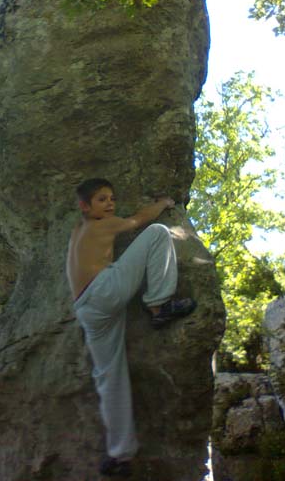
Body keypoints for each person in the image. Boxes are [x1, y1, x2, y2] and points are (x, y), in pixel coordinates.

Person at [66, 178, 196, 477]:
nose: (110, 204)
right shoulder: (104, 225)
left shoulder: (77, 232)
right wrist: (163, 203)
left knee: (109, 376)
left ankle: (120, 455)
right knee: (158, 232)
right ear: (85, 206)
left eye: (111, 198)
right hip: (104, 291)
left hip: (86, 309)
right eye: (102, 199)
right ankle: (159, 304)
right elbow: (140, 219)